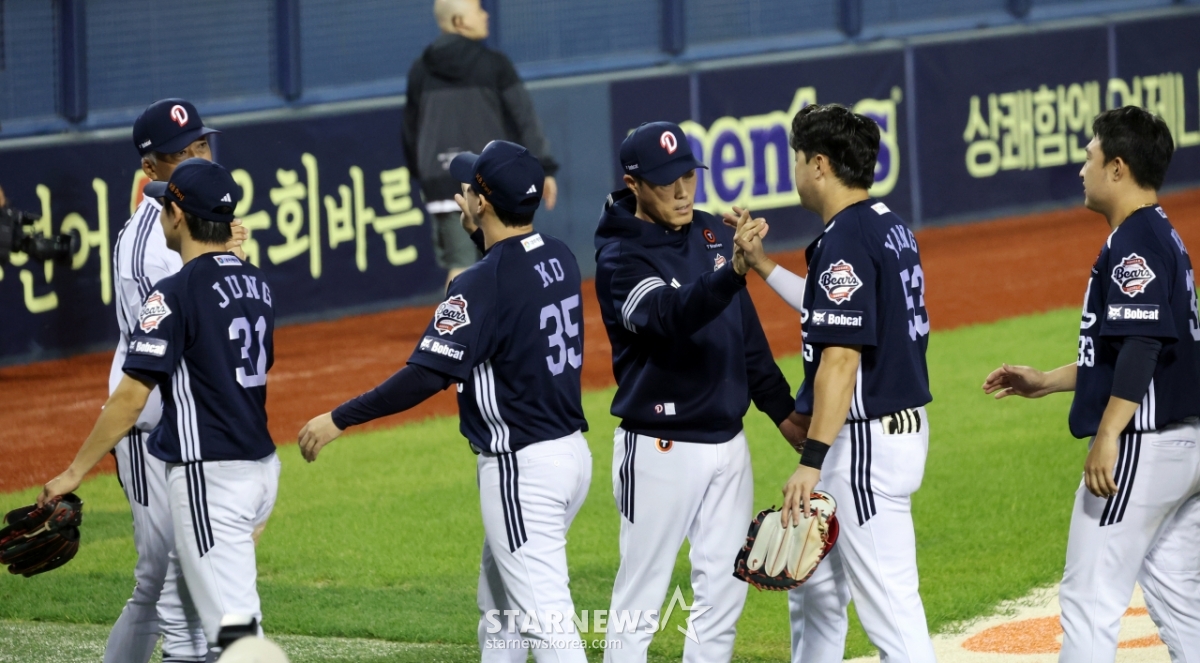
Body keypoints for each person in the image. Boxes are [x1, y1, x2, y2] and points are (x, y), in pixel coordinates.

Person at [298, 140, 590, 661]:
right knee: (499, 608)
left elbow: (425, 376)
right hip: (569, 456)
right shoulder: (560, 256)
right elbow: (509, 277)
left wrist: (340, 418)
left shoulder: (481, 283)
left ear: (483, 202)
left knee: (547, 625)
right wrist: (482, 233)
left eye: (470, 187)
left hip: (522, 470)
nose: (462, 193)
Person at [983, 106, 1200, 662]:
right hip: (1182, 447)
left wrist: (1107, 435)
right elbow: (1127, 353)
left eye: (1090, 157)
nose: (1083, 169)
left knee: (1088, 599)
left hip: (1143, 446)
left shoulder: (1135, 241)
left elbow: (1142, 345)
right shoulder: (1160, 234)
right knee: (1180, 598)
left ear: (1118, 167)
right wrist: (1046, 381)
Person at [41, 158, 279, 658]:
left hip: (209, 477)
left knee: (227, 631)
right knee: (195, 611)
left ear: (177, 217)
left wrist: (73, 472)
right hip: (260, 471)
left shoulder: (171, 294)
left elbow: (130, 399)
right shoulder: (257, 284)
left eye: (166, 205)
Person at [593, 121, 805, 663]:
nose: (683, 191)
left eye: (688, 176)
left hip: (729, 444)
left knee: (724, 596)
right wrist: (731, 274)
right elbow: (669, 316)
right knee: (640, 601)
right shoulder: (620, 259)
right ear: (634, 184)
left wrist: (782, 412)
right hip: (660, 448)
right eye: (667, 181)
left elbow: (745, 334)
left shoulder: (711, 231)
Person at [756, 104, 936, 663]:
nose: (793, 170)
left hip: (863, 448)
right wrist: (762, 265)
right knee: (817, 594)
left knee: (891, 611)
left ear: (819, 165)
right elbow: (828, 310)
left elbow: (840, 358)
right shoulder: (885, 224)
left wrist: (811, 461)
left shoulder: (848, 238)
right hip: (884, 432)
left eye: (796, 159)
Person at [104, 98, 246, 663]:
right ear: (150, 168)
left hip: (193, 426)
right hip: (150, 425)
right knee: (158, 575)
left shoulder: (203, 222)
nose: (198, 158)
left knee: (200, 569)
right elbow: (159, 354)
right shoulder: (146, 247)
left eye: (202, 146)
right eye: (182, 153)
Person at [404, 0, 559, 287]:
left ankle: (466, 316)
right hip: (494, 180)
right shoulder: (495, 64)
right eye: (478, 9)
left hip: (440, 181)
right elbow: (524, 118)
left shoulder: (419, 70)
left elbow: (410, 131)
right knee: (505, 259)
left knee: (460, 263)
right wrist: (544, 167)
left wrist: (425, 175)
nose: (486, 15)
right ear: (460, 21)